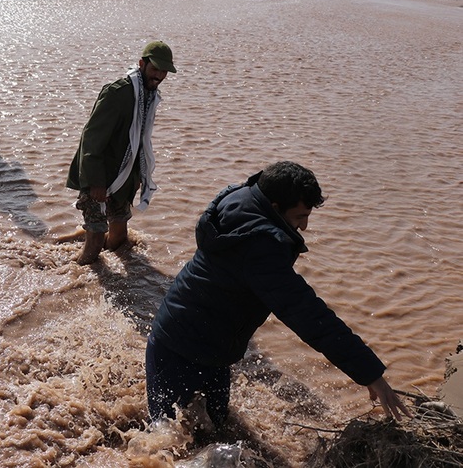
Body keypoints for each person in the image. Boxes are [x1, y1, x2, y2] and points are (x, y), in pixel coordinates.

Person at [147, 161, 411, 430]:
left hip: (207, 344)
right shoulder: (260, 248)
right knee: (165, 440)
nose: (305, 227)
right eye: (299, 218)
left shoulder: (243, 199)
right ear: (274, 208)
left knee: (215, 428)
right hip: (179, 348)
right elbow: (307, 314)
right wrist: (370, 374)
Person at [66, 41, 176, 265]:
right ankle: (69, 273)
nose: (159, 75)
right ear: (141, 64)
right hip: (99, 176)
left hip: (122, 178)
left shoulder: (149, 96)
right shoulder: (118, 93)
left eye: (164, 71)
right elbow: (91, 139)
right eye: (155, 69)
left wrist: (136, 179)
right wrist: (96, 182)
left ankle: (82, 248)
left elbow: (138, 143)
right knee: (95, 243)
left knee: (118, 238)